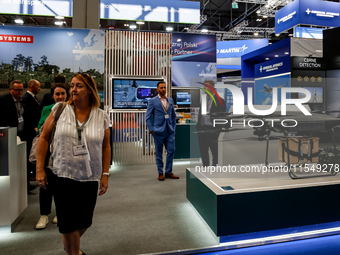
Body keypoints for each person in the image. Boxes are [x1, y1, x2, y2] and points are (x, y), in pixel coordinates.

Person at [36, 72, 111, 255]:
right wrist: (40, 168)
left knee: (84, 222)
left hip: (89, 176)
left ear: (90, 91)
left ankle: (72, 249)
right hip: (62, 175)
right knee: (67, 224)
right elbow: (44, 138)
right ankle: (74, 251)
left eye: (79, 86)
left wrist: (105, 174)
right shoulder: (59, 109)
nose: (73, 89)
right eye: (72, 85)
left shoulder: (101, 116)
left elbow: (106, 147)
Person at [35, 83, 68, 230]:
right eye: (57, 94)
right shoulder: (47, 109)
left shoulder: (72, 109)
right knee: (45, 184)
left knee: (62, 185)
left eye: (62, 93)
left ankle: (59, 212)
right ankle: (44, 215)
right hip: (48, 150)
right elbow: (40, 128)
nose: (60, 96)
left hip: (65, 151)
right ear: (53, 96)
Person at [146, 81, 179, 181]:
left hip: (170, 131)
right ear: (157, 89)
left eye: (164, 87)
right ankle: (160, 172)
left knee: (171, 151)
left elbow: (173, 115)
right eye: (161, 88)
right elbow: (148, 117)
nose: (163, 89)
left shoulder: (170, 100)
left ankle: (168, 171)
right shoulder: (152, 101)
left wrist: (173, 127)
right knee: (159, 152)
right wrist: (151, 129)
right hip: (158, 131)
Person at [196, 80, 226, 167]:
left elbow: (222, 116)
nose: (204, 88)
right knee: (203, 150)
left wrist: (218, 129)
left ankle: (215, 167)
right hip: (202, 129)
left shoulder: (220, 100)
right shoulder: (204, 99)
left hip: (212, 129)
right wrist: (198, 126)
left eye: (206, 86)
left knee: (214, 150)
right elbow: (200, 114)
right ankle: (205, 166)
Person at [23, 79, 41, 180]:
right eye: (38, 86)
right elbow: (29, 115)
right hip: (30, 131)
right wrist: (34, 127)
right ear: (32, 86)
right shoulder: (27, 98)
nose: (40, 88)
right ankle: (30, 174)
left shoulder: (32, 98)